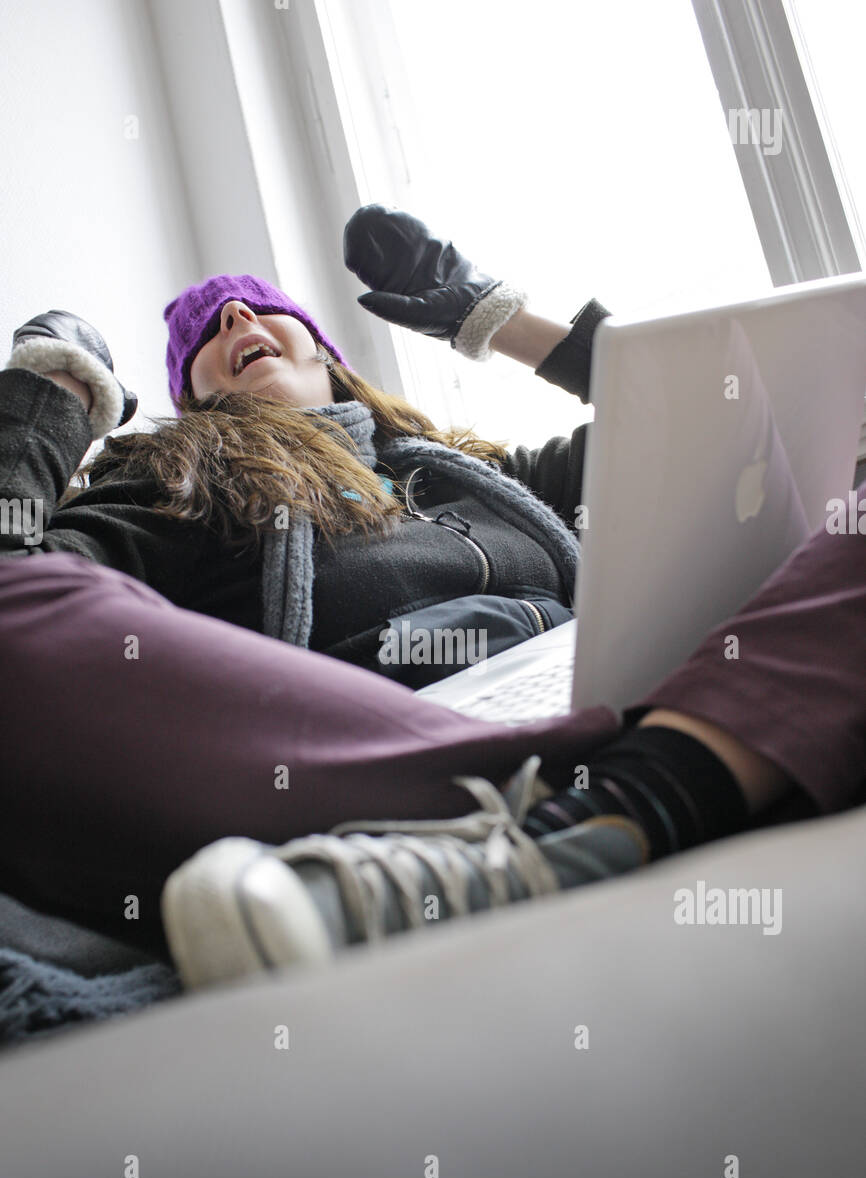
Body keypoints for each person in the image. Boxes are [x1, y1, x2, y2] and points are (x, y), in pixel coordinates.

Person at [1, 207, 863, 991]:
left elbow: (729, 420)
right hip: (406, 768)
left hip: (614, 712)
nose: (235, 318)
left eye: (261, 306)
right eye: (209, 329)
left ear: (325, 350)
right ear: (192, 399)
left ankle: (605, 814)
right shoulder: (173, 485)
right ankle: (617, 805)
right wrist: (56, 392)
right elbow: (17, 582)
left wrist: (493, 317)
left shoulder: (486, 478)